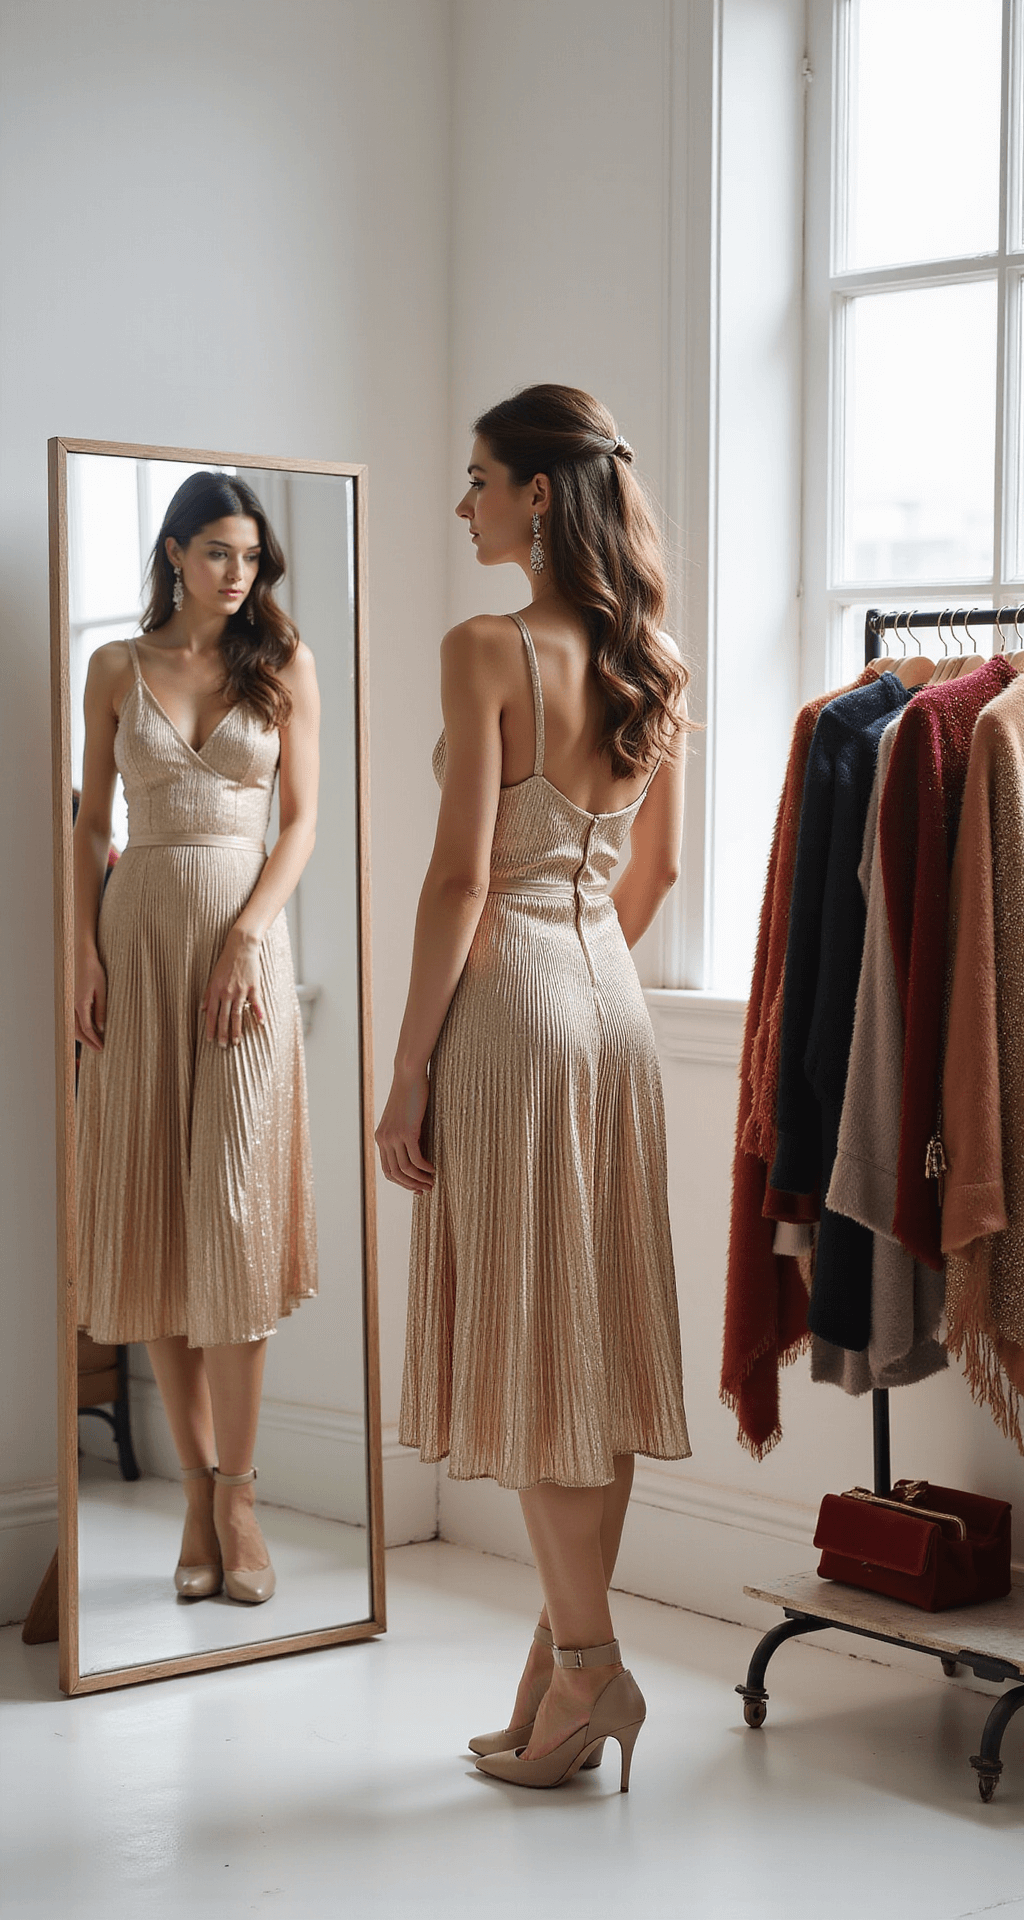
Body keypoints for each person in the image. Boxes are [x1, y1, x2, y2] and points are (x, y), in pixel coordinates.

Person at [375, 384, 691, 1790]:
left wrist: (408, 1072)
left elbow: (458, 881)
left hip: (512, 1003)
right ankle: (564, 1661)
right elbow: (654, 872)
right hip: (611, 1009)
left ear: (540, 494)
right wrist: (579, 975)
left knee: (533, 1346)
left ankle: (590, 1667)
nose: (464, 505)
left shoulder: (485, 647)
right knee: (590, 1351)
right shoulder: (651, 659)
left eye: (479, 479)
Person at [74, 470, 320, 1606]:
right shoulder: (114, 668)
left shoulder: (282, 662)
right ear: (175, 552)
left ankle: (240, 1496)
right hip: (137, 944)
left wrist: (247, 938)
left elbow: (300, 821)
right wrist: (82, 956)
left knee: (232, 1218)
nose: (238, 574)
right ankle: (191, 1492)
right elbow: (92, 825)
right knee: (163, 1225)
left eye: (251, 556)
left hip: (242, 957)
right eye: (219, 551)